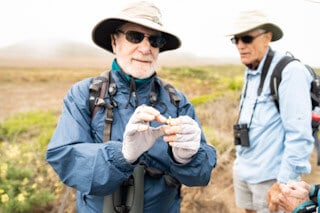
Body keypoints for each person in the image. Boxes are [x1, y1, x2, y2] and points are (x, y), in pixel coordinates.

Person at [45, 1, 217, 213]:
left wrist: (186, 157)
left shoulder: (177, 101)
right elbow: (64, 157)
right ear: (114, 42)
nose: (146, 48)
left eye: (155, 41)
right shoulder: (84, 94)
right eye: (134, 36)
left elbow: (201, 174)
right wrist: (122, 155)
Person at [227, 9, 314, 213]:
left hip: (272, 178)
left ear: (267, 38)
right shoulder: (251, 69)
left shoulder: (290, 72)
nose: (240, 45)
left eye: (247, 38)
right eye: (236, 39)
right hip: (244, 169)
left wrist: (283, 183)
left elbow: (299, 136)